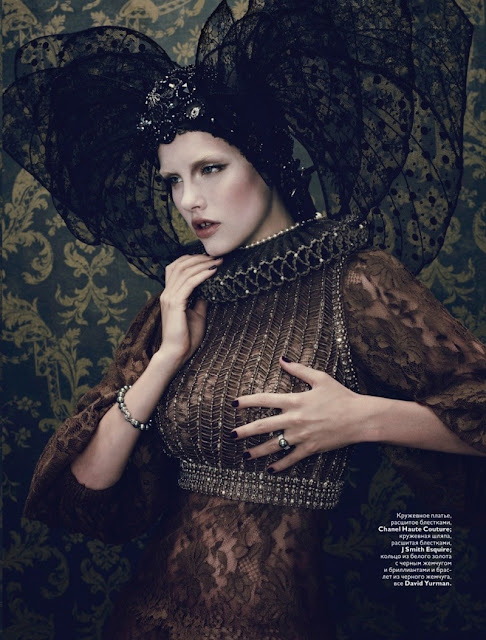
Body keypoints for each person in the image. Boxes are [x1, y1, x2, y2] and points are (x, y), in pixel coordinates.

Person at [4, 1, 486, 638]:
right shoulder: (184, 296)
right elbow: (83, 489)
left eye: (210, 169)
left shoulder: (352, 278)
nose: (189, 201)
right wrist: (166, 357)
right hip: (143, 619)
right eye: (172, 181)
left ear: (267, 160)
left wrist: (362, 418)